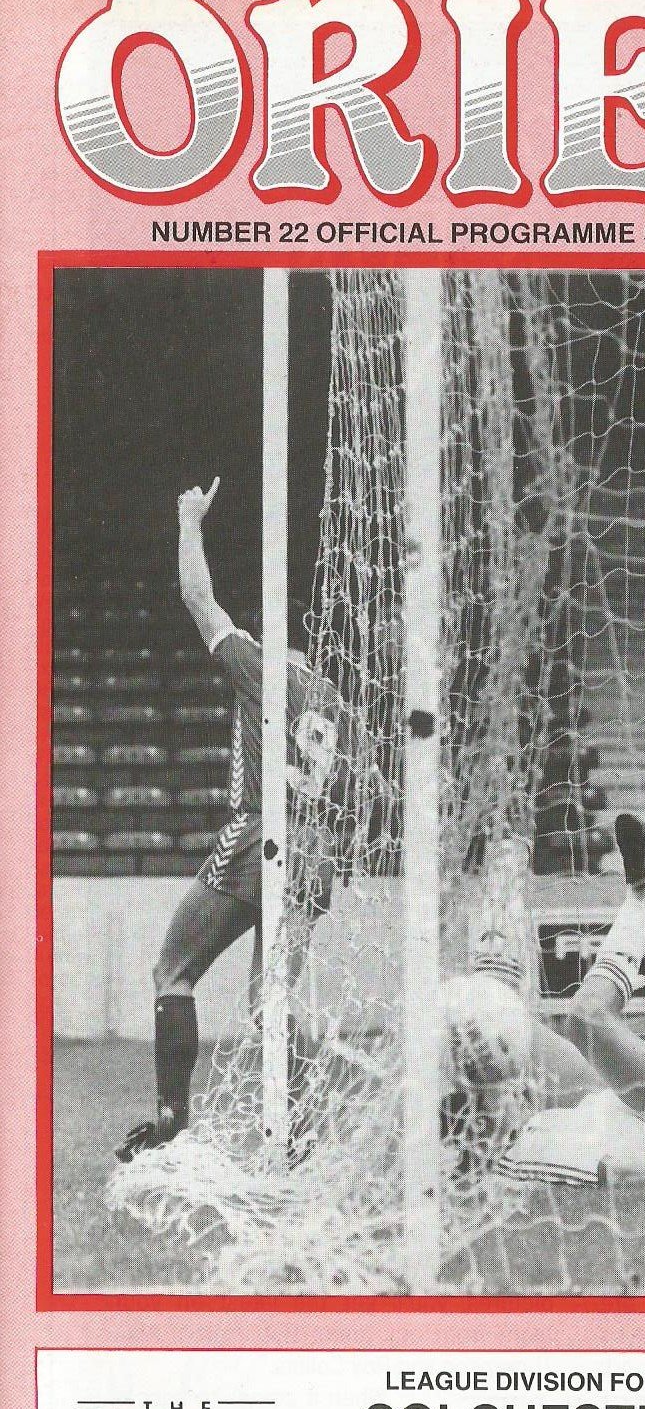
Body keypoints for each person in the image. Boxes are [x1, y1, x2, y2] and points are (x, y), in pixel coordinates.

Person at [116, 479, 338, 1162]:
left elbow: (197, 598)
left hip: (258, 838)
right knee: (271, 1001)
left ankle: (171, 1122)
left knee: (173, 969)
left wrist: (189, 521)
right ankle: (302, 1129)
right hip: (315, 850)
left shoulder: (261, 668)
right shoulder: (332, 698)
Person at [443, 813, 645, 1184]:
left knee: (488, 1010)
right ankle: (643, 896)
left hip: (605, 1103)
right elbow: (624, 1172)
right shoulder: (527, 1156)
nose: (516, 1090)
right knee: (586, 1017)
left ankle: (508, 855)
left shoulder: (522, 1132)